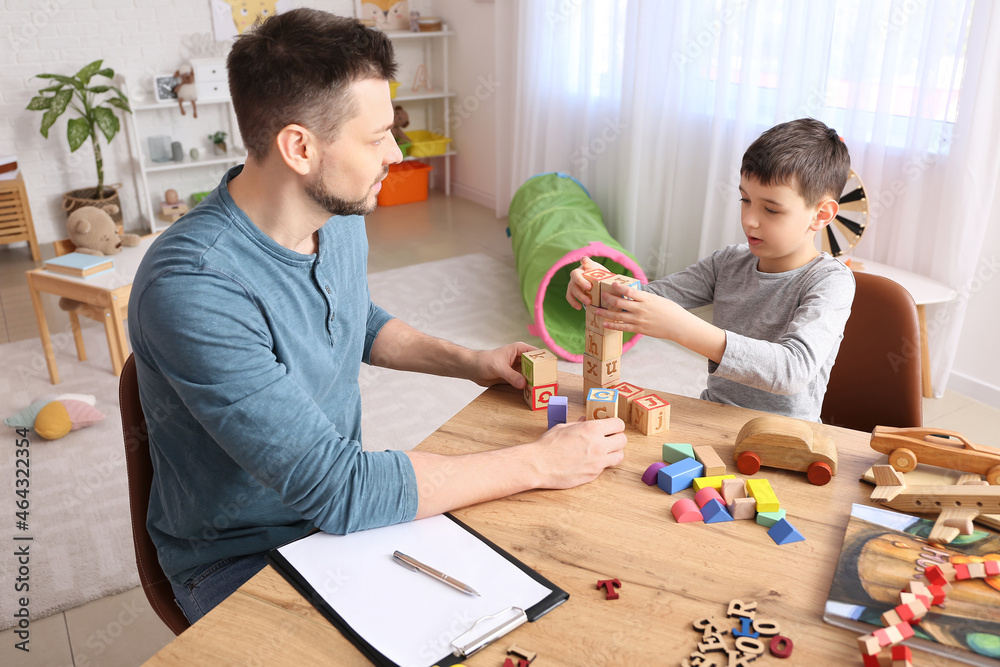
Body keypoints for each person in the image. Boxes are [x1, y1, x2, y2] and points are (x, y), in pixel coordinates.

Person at [129, 8, 626, 624]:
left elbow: (355, 320)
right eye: (376, 136)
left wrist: (470, 362)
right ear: (300, 147)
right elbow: (341, 489)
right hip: (240, 555)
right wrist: (541, 462)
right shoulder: (193, 288)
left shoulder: (335, 218)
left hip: (337, 518)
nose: (396, 151)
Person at [567, 118, 856, 423]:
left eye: (771, 209)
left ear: (821, 214)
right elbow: (649, 298)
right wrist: (601, 283)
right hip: (712, 415)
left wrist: (680, 327)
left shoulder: (831, 282)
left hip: (783, 435)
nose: (749, 220)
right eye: (745, 200)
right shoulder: (728, 262)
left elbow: (791, 371)